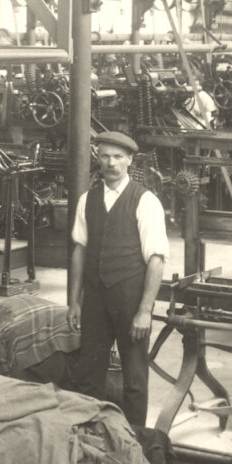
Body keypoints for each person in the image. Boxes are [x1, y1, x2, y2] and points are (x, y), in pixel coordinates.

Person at [68, 131, 167, 430]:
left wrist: (145, 311)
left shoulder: (145, 200)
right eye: (105, 156)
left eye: (118, 157)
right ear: (98, 158)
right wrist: (74, 301)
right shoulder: (88, 199)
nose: (111, 163)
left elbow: (156, 259)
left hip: (130, 298)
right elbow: (80, 250)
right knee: (89, 374)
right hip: (95, 298)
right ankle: (91, 436)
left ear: (130, 160)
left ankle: (135, 441)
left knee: (134, 378)